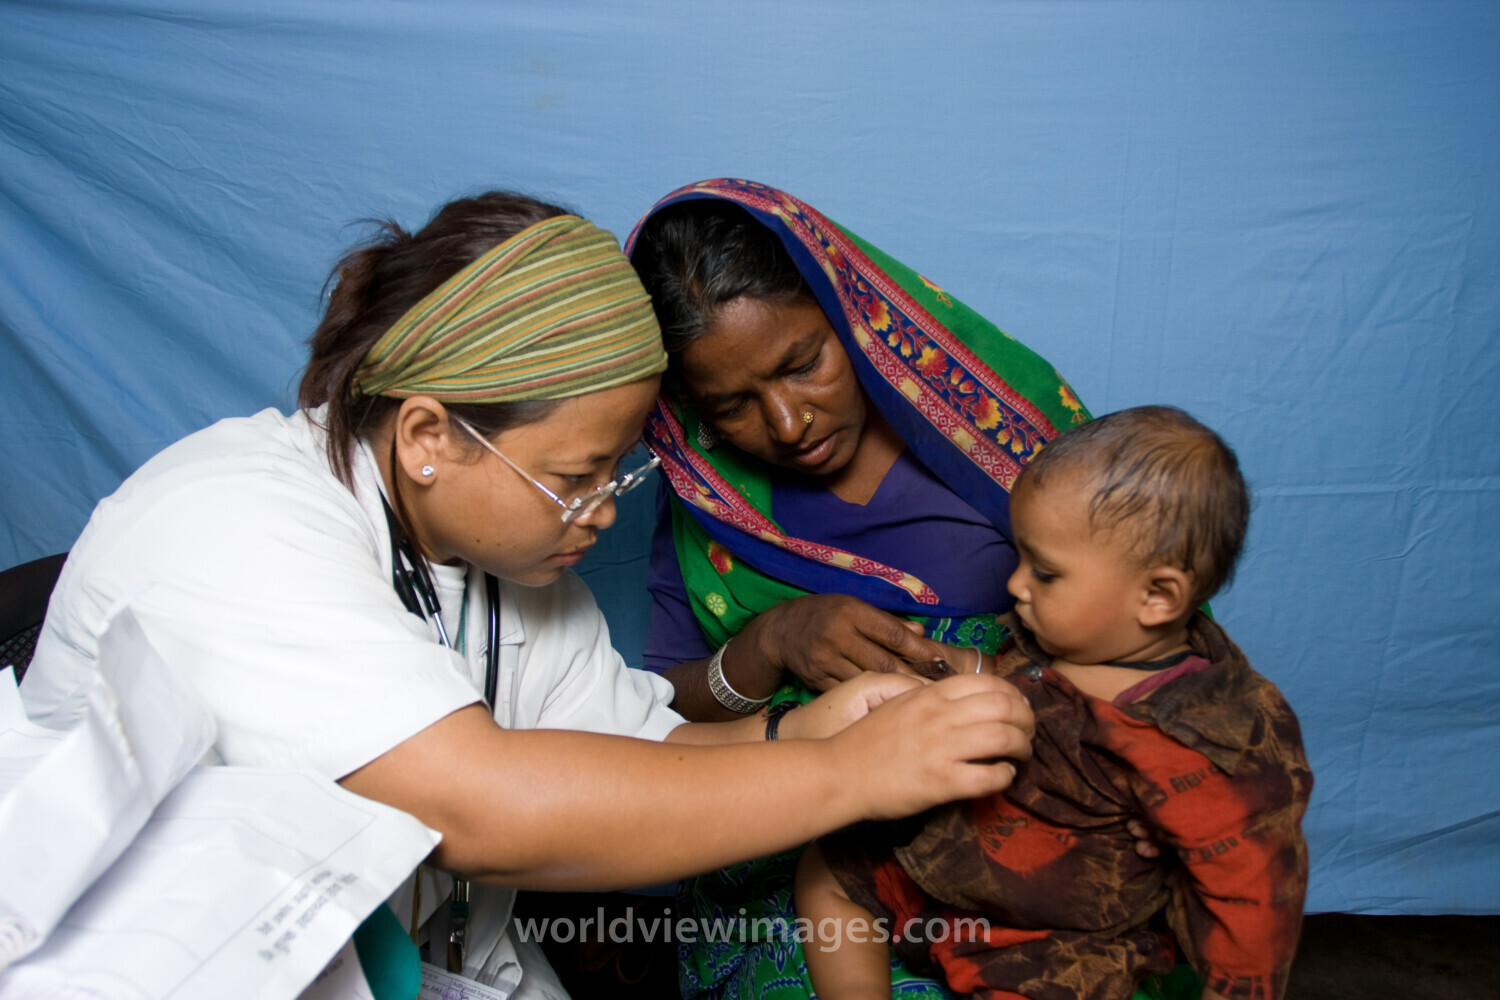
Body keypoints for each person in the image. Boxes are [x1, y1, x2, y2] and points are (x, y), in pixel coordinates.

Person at [19, 192, 1037, 997]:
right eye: (578, 475)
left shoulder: (506, 567)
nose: (601, 512)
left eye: (619, 474)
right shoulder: (227, 520)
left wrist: (815, 730)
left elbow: (648, 760)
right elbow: (477, 807)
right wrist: (857, 771)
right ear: (427, 439)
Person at [627, 178, 1092, 997]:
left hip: (1024, 793)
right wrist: (771, 644)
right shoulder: (704, 491)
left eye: (803, 364)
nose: (785, 423)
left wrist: (998, 673)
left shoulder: (1000, 429)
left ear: (852, 315)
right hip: (797, 831)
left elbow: (1150, 639)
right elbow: (659, 709)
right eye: (730, 403)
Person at [796, 406, 1313, 1000]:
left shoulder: (1201, 734)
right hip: (947, 861)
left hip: (1051, 932)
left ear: (1158, 596)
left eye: (1044, 572)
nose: (1016, 584)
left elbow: (1250, 892)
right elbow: (1007, 679)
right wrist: (938, 662)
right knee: (827, 870)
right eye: (1020, 559)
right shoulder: (1073, 642)